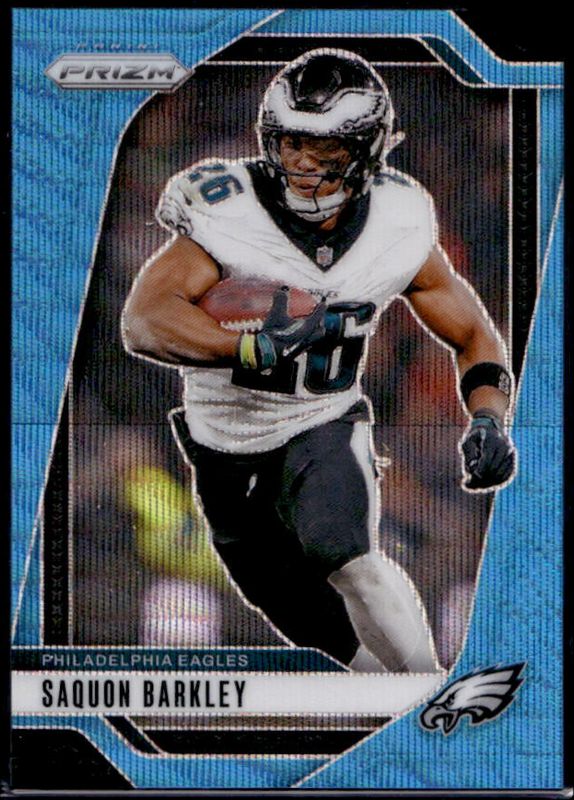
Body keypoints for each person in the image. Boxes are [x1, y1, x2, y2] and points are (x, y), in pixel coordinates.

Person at [122, 49, 515, 673]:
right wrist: (244, 347)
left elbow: (472, 331)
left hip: (321, 420)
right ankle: (388, 703)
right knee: (293, 606)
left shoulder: (398, 219)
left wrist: (489, 418)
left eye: (325, 148)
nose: (304, 163)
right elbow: (144, 319)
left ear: (367, 150)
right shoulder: (229, 210)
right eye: (292, 143)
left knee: (348, 556)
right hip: (221, 442)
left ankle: (433, 694)